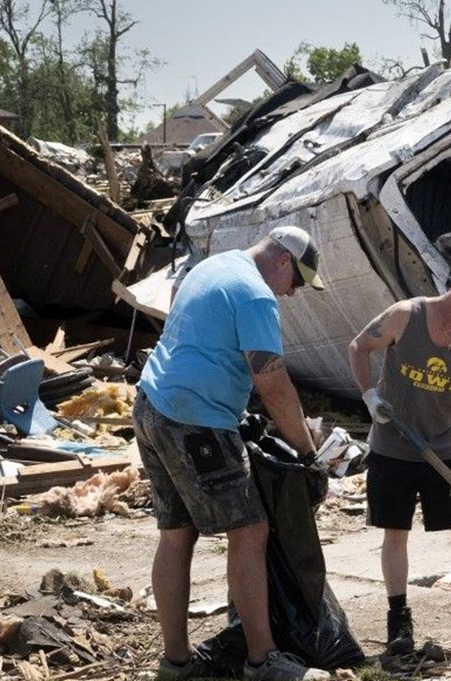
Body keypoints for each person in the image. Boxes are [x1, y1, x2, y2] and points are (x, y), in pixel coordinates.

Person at [133, 226, 332, 681]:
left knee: (176, 534)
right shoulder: (255, 293)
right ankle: (263, 661)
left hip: (151, 406)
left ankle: (176, 663)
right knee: (251, 531)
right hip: (195, 421)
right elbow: (271, 380)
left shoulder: (213, 266)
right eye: (297, 282)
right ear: (284, 261)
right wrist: (306, 451)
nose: (293, 294)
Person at [347, 255, 451, 655]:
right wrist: (369, 397)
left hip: (443, 447)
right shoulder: (406, 316)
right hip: (393, 446)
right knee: (395, 532)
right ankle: (398, 617)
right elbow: (359, 348)